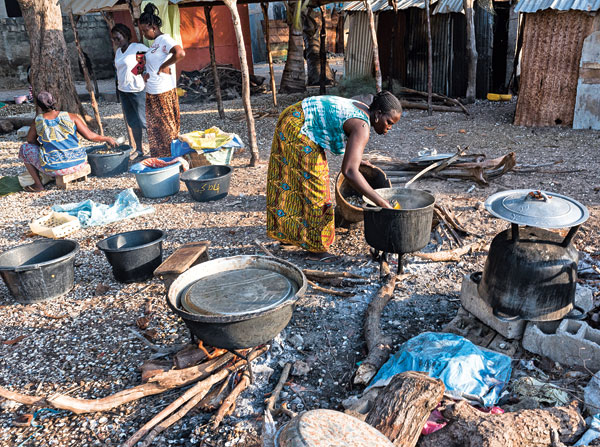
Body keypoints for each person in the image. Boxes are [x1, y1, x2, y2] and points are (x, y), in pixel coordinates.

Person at [266, 91, 402, 255]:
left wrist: (357, 160)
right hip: (298, 127)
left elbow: (348, 149)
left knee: (293, 181)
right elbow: (349, 171)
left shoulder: (363, 108)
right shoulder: (362, 127)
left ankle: (289, 236)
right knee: (316, 189)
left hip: (292, 117)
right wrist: (381, 202)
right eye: (388, 122)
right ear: (378, 114)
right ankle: (317, 250)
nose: (389, 127)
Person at [19, 91, 117, 192]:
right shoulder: (72, 116)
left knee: (24, 148)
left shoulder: (38, 121)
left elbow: (30, 140)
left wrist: (42, 148)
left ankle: (38, 185)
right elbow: (90, 136)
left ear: (39, 106)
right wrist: (107, 138)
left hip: (54, 169)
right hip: (78, 164)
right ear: (54, 101)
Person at [138, 3, 186, 158]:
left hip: (163, 92)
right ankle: (162, 159)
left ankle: (175, 159)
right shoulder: (155, 44)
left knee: (167, 128)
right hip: (152, 92)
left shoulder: (165, 39)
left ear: (153, 26)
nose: (144, 34)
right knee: (155, 129)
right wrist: (146, 72)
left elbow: (180, 53)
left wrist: (164, 66)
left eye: (145, 30)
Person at [111, 23, 149, 159]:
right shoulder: (118, 52)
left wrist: (138, 71)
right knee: (133, 121)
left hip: (137, 89)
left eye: (118, 38)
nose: (115, 41)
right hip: (123, 90)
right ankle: (139, 149)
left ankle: (154, 148)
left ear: (126, 35)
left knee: (144, 121)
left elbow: (148, 57)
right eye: (114, 39)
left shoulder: (136, 48)